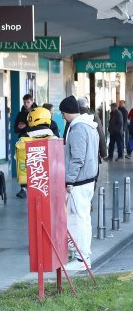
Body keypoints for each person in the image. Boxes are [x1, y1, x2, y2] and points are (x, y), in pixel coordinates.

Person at [59, 96, 100, 271]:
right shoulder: (90, 126)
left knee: (78, 220)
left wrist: (69, 180)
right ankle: (84, 256)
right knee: (84, 219)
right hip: (88, 180)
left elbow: (77, 158)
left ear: (66, 113)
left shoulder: (77, 129)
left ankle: (81, 259)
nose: (62, 117)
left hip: (79, 182)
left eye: (62, 114)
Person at [15, 107, 56, 195]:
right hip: (51, 181)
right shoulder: (55, 140)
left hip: (31, 182)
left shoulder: (23, 141)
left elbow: (17, 158)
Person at [13, 94, 36, 198]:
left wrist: (27, 125)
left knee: (34, 164)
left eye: (28, 102)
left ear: (32, 101)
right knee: (22, 164)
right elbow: (15, 129)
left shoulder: (37, 112)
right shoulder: (20, 114)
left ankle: (33, 186)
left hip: (34, 141)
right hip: (23, 142)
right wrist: (19, 127)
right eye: (25, 102)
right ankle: (23, 188)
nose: (26, 105)